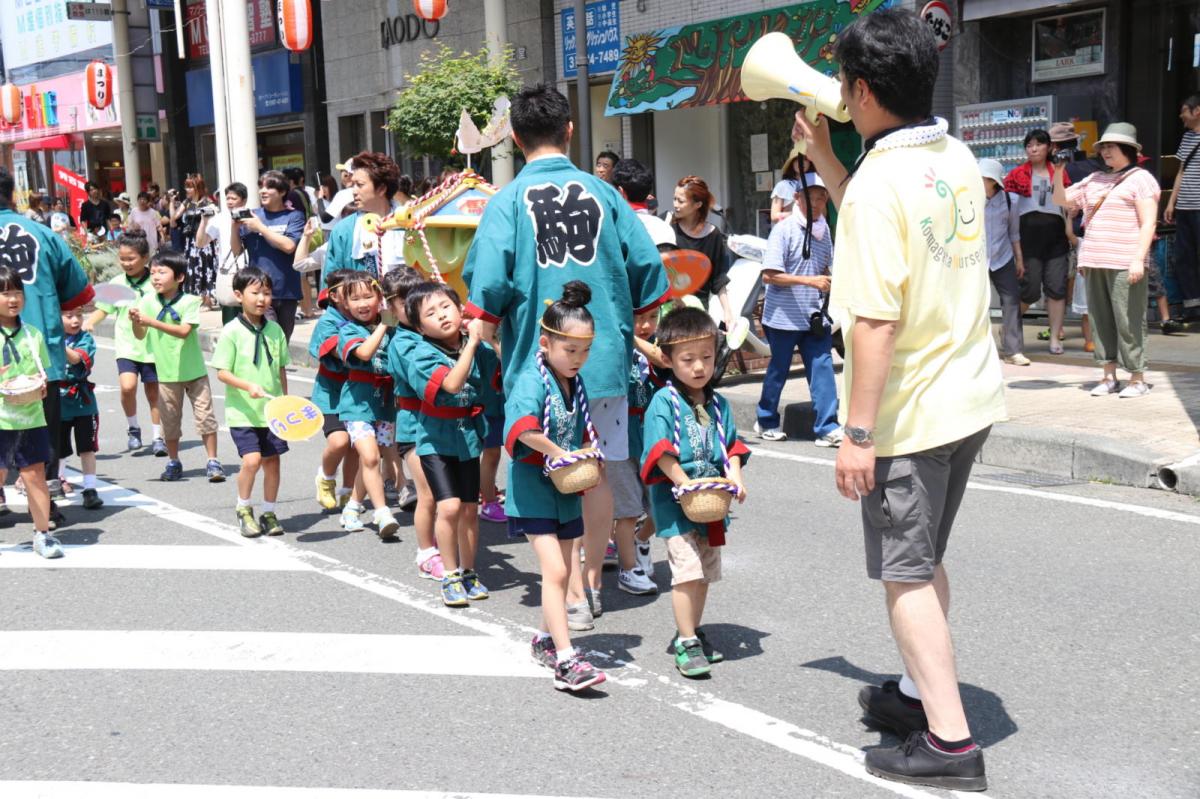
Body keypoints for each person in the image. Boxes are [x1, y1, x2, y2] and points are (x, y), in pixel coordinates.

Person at [794, 7, 1004, 790]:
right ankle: (919, 695)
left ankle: (950, 743)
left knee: (904, 572)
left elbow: (876, 320)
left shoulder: (882, 178)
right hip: (967, 396)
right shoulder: (948, 152)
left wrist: (857, 432)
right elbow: (887, 224)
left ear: (860, 89)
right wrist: (825, 161)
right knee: (926, 556)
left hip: (910, 413)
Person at [462, 83, 669, 632]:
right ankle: (592, 585)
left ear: (512, 136)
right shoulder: (604, 194)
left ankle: (570, 587)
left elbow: (487, 287)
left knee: (547, 467)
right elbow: (648, 269)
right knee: (595, 470)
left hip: (538, 365)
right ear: (570, 131)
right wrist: (639, 317)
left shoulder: (506, 201)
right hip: (602, 358)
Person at [505, 281, 609, 690]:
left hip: (565, 487)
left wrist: (588, 450)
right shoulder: (533, 379)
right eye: (571, 350)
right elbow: (523, 430)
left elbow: (581, 427)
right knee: (557, 569)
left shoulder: (572, 381)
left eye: (584, 350)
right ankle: (566, 660)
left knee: (565, 570)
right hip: (534, 484)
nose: (578, 359)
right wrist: (559, 453)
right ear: (545, 343)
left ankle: (545, 639)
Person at [641, 307, 749, 678]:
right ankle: (686, 641)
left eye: (706, 357)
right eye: (688, 359)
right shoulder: (663, 402)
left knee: (703, 572)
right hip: (676, 502)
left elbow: (731, 448)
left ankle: (691, 629)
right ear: (667, 360)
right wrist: (682, 481)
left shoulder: (718, 404)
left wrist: (736, 478)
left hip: (711, 504)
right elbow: (659, 451)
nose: (699, 367)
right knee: (686, 570)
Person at [0, 168, 94, 517]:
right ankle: (47, 503)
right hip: (40, 352)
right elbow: (78, 292)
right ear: (12, 195)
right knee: (42, 432)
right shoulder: (43, 234)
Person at [405, 281, 501, 606]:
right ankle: (449, 575)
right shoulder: (421, 353)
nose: (442, 316)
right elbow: (450, 383)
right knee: (448, 507)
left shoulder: (478, 347)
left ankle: (469, 571)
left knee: (471, 510)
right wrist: (473, 343)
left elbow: (499, 374)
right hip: (435, 439)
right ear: (420, 327)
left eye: (446, 306)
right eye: (430, 313)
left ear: (460, 309)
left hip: (468, 437)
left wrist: (489, 340)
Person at [1054, 123, 1161, 399]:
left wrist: (1139, 259)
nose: (1105, 152)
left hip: (1125, 260)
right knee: (1101, 320)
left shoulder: (1141, 179)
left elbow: (1148, 223)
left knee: (1129, 320)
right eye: (1103, 147)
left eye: (1111, 147)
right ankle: (1108, 375)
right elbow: (1062, 199)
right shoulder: (1094, 179)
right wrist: (1057, 172)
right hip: (1094, 259)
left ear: (1127, 149)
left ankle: (1137, 378)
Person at [754, 173, 842, 445]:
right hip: (782, 317)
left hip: (814, 315)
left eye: (820, 197)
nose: (815, 203)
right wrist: (810, 280)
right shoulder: (784, 229)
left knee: (823, 367)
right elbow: (769, 275)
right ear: (796, 198)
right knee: (778, 370)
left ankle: (827, 427)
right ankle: (766, 420)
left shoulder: (824, 229)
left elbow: (825, 265)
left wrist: (829, 278)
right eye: (809, 197)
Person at [128, 248, 225, 483]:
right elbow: (140, 335)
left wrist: (150, 321)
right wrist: (136, 321)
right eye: (152, 273)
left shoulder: (190, 301)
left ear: (180, 277)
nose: (155, 277)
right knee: (170, 420)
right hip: (166, 373)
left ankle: (212, 461)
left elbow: (183, 331)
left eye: (162, 272)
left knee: (205, 417)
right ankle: (174, 461)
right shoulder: (147, 300)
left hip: (194, 373)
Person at [212, 266, 291, 537]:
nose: (261, 299)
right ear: (238, 295)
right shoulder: (231, 331)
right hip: (243, 412)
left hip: (271, 412)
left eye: (266, 293)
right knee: (252, 461)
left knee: (273, 462)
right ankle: (244, 507)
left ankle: (269, 511)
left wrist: (286, 402)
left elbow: (280, 369)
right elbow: (222, 371)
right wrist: (248, 386)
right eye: (255, 292)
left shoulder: (276, 331)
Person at [382, 267, 441, 578]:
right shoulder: (401, 341)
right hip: (413, 425)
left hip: (444, 424)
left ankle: (444, 546)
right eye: (404, 300)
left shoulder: (436, 333)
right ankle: (426, 552)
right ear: (391, 305)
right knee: (428, 490)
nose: (413, 305)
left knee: (449, 494)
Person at [86, 230, 165, 456]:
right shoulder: (117, 282)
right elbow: (104, 308)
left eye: (131, 259)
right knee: (128, 387)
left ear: (145, 258)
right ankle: (133, 428)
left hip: (153, 346)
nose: (126, 263)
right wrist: (89, 322)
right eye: (122, 259)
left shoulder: (156, 280)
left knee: (153, 392)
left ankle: (157, 435)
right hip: (127, 346)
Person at [333, 271, 400, 538]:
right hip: (357, 403)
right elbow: (363, 352)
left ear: (380, 298)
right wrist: (384, 325)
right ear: (345, 304)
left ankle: (352, 507)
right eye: (355, 298)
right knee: (371, 457)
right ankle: (382, 513)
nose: (362, 303)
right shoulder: (348, 330)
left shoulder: (392, 327)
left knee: (370, 460)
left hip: (384, 403)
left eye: (368, 296)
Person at [0, 264, 60, 558]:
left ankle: (43, 534)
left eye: (17, 293)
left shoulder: (33, 334)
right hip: (1, 417)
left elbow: (40, 370)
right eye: (5, 293)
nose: (13, 299)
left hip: (31, 415)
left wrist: (41, 383)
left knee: (35, 474)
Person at [1005, 130, 1074, 354]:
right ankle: (1009, 328)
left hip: (1056, 238)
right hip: (1027, 237)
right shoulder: (1016, 174)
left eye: (1038, 144)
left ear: (1049, 148)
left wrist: (1070, 231)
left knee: (1057, 289)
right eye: (1029, 145)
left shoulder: (1059, 173)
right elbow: (1005, 206)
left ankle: (1055, 337)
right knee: (1030, 290)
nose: (1033, 149)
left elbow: (1067, 206)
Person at [231, 171, 306, 342]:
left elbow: (289, 246)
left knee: (282, 341)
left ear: (281, 192)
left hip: (287, 290)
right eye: (261, 187)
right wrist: (233, 228)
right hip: (258, 290)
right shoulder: (251, 215)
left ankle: (278, 369)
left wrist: (261, 228)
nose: (262, 191)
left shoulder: (294, 216)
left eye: (269, 187)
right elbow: (236, 251)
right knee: (268, 339)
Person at [1050, 122, 1102, 349]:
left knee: (1061, 279)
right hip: (1090, 230)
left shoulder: (1057, 168)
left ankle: (1058, 328)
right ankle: (1090, 335)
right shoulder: (1093, 165)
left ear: (1053, 146)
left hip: (1067, 229)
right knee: (1083, 283)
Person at [321, 152, 405, 287]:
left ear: (382, 188)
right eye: (352, 185)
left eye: (359, 185)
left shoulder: (409, 223)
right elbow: (331, 283)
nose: (353, 191)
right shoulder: (344, 230)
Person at [979, 159, 1029, 366]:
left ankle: (1013, 351)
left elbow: (1014, 232)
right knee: (976, 303)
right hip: (977, 259)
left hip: (1003, 257)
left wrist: (1019, 259)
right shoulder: (968, 199)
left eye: (985, 178)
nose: (981, 181)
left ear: (994, 181)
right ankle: (977, 350)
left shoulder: (1011, 200)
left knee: (1011, 301)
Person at [670, 176, 736, 331]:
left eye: (680, 201)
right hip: (669, 308)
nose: (675, 205)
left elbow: (718, 278)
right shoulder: (668, 227)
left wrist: (728, 312)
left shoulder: (713, 235)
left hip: (698, 309)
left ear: (697, 204)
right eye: (674, 199)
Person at [59, 308, 104, 510]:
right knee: (57, 446)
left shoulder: (85, 339)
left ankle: (90, 488)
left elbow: (76, 359)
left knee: (87, 447)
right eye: (69, 316)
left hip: (83, 401)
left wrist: (55, 341)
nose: (76, 320)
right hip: (57, 400)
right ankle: (59, 479)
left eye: (79, 315)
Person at [1163, 94, 1200, 326]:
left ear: (1197, 111)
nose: (1181, 115)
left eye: (1184, 110)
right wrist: (1171, 203)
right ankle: (1193, 306)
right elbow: (1181, 171)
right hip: (1185, 207)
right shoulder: (1187, 138)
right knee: (1183, 257)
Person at [198, 182, 251, 324]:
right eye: (227, 198)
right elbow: (201, 243)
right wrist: (203, 222)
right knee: (229, 319)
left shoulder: (252, 216)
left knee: (250, 318)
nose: (229, 202)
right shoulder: (219, 218)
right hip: (228, 273)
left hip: (250, 273)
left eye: (234, 198)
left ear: (244, 200)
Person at [170, 175, 218, 305]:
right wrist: (172, 202)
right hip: (190, 241)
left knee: (206, 266)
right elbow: (174, 218)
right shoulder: (187, 202)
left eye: (190, 186)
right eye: (187, 186)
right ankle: (198, 298)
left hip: (205, 239)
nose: (187, 189)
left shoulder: (207, 202)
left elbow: (214, 217)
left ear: (198, 187)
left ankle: (208, 299)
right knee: (193, 267)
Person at [770, 147, 813, 223]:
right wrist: (798, 214)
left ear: (810, 163)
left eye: (805, 159)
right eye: (797, 159)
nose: (801, 162)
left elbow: (822, 214)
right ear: (791, 163)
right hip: (789, 232)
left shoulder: (815, 184)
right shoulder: (782, 185)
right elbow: (774, 217)